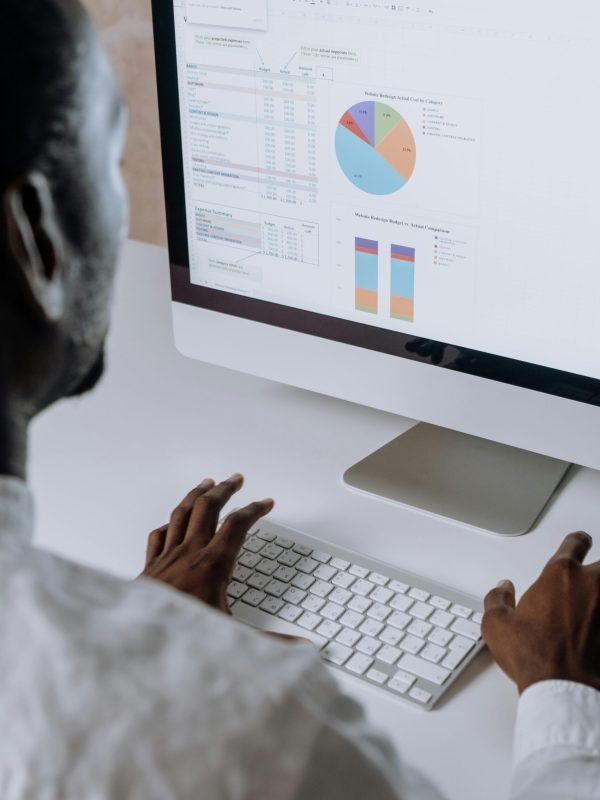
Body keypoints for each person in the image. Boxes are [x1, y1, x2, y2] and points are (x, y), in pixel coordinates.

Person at [0, 1, 599, 797]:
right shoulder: (245, 722)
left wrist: (139, 629)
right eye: (112, 155)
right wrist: (565, 693)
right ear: (34, 233)